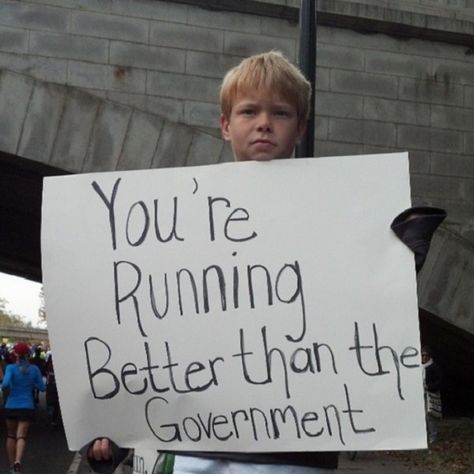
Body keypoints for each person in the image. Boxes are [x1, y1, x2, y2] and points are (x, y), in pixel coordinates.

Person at [84, 51, 446, 474]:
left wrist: (401, 252)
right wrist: (113, 423)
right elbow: (149, 328)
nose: (263, 123)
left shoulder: (339, 213)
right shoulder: (175, 225)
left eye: (280, 112)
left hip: (296, 452)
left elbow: (361, 309)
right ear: (225, 124)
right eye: (248, 111)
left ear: (301, 127)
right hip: (195, 453)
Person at [1, 341, 46, 474]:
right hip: (27, 406)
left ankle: (11, 467)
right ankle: (18, 461)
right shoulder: (34, 369)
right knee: (21, 436)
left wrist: (10, 387)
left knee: (10, 435)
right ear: (28, 354)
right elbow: (42, 388)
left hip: (11, 405)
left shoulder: (10, 368)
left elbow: (5, 385)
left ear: (15, 353)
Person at [421, 346, 443, 445]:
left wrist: (428, 387)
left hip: (430, 394)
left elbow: (440, 382)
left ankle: (432, 436)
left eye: (426, 355)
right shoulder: (418, 367)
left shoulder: (434, 367)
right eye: (422, 355)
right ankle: (423, 435)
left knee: (430, 416)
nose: (424, 357)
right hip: (420, 395)